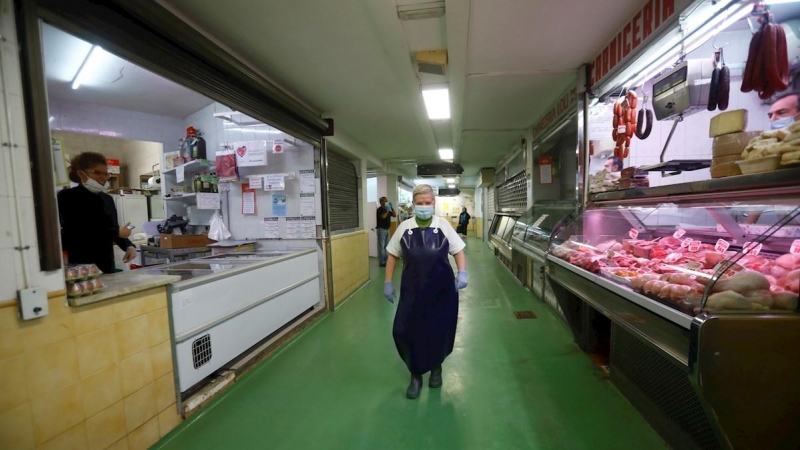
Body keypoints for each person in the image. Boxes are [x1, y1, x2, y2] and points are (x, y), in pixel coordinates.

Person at [383, 184, 468, 399]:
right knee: (407, 330)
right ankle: (416, 374)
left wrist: (463, 273)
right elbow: (392, 255)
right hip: (413, 291)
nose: (423, 207)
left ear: (434, 203)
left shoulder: (443, 226)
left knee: (438, 328)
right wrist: (388, 282)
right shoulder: (404, 227)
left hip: (441, 290)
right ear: (413, 204)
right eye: (419, 203)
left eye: (427, 203)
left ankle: (436, 368)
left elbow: (458, 250)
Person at [58, 152, 136, 274]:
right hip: (79, 263)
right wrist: (116, 232)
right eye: (97, 172)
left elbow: (112, 228)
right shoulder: (67, 197)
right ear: (80, 174)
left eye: (105, 173)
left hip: (105, 263)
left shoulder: (107, 199)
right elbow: (76, 230)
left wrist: (129, 246)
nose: (103, 178)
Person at [376, 197, 396, 267]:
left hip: (387, 229)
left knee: (387, 246)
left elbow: (394, 215)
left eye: (387, 201)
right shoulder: (379, 210)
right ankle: (381, 262)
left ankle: (386, 260)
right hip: (381, 230)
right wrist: (387, 210)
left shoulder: (388, 209)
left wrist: (392, 208)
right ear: (381, 202)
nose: (386, 203)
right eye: (385, 201)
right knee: (381, 246)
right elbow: (383, 217)